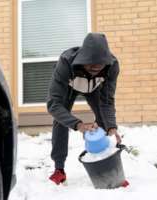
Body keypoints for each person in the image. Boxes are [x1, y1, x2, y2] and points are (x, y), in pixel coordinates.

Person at [47, 32, 121, 185]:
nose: (96, 67)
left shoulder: (112, 66)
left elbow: (107, 101)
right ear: (83, 59)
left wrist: (111, 125)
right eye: (91, 63)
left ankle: (105, 165)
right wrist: (78, 125)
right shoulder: (66, 62)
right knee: (61, 120)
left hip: (94, 89)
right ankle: (59, 169)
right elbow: (54, 104)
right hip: (69, 88)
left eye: (100, 64)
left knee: (104, 122)